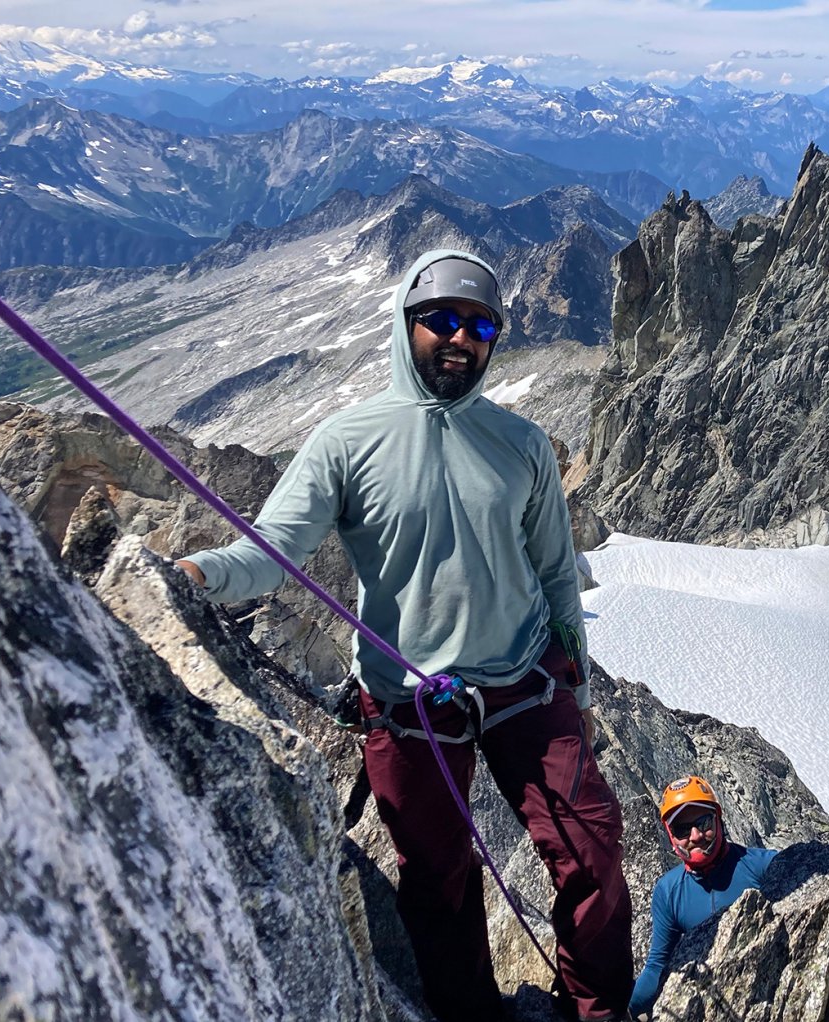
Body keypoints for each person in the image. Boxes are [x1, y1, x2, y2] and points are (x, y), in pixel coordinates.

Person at [176, 249, 633, 1022]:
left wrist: (579, 687)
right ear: (407, 325)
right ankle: (467, 1013)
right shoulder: (346, 442)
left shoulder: (521, 443)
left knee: (591, 851)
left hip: (525, 679)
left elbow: (558, 573)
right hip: (410, 702)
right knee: (437, 874)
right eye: (442, 320)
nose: (461, 338)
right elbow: (272, 550)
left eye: (480, 325)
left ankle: (599, 1010)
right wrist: (203, 575)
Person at [629, 776, 777, 1019]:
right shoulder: (668, 892)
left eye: (704, 822)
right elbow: (657, 968)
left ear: (718, 820)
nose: (696, 836)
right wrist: (621, 1010)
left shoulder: (760, 866)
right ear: (670, 835)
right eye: (682, 830)